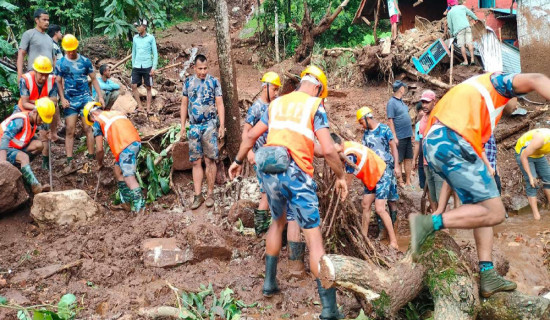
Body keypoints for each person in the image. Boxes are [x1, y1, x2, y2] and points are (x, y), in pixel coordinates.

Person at [412, 72, 550, 298]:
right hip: (453, 140)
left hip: (439, 144)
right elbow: (537, 78)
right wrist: (437, 215)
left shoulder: (469, 103)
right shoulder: (497, 82)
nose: (516, 102)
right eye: (517, 98)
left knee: (483, 206)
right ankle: (427, 224)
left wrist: (442, 204)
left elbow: (451, 177)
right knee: (496, 214)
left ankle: (487, 274)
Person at [228, 66, 348, 320]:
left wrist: (238, 161)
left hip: (269, 170)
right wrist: (340, 176)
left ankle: (269, 283)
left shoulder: (277, 103)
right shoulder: (315, 106)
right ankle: (329, 310)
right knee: (315, 240)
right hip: (297, 175)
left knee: (277, 222)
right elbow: (327, 150)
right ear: (317, 88)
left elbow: (250, 136)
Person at [55, 34, 105, 174]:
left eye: (73, 49)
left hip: (85, 99)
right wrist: (62, 98)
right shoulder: (61, 63)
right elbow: (58, 81)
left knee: (88, 128)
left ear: (77, 47)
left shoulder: (85, 61)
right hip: (70, 100)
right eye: (68, 50)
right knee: (70, 130)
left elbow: (94, 79)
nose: (70, 52)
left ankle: (90, 158)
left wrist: (99, 96)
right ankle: (69, 160)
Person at [180, 54, 225, 210]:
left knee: (210, 160)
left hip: (210, 125)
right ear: (194, 68)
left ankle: (210, 194)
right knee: (195, 161)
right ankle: (198, 195)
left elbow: (220, 104)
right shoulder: (188, 83)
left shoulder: (214, 82)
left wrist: (221, 125)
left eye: (205, 68)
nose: (203, 71)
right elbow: (184, 105)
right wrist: (182, 126)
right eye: (200, 68)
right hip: (194, 126)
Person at [83, 102, 145, 213]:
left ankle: (140, 209)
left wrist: (100, 163)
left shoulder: (97, 121)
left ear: (92, 116)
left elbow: (99, 149)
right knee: (117, 171)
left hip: (125, 146)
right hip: (134, 142)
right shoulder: (115, 113)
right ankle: (126, 202)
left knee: (129, 177)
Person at [358, 106, 400, 249]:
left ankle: (393, 240)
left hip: (384, 170)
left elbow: (393, 147)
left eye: (361, 122)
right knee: (365, 204)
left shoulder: (384, 129)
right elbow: (364, 153)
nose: (361, 125)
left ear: (367, 118)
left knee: (381, 207)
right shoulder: (365, 134)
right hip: (371, 172)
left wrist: (396, 166)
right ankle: (364, 238)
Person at [0, 97, 55, 194]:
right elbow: (4, 139)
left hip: (12, 147)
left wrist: (43, 137)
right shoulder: (20, 120)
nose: (42, 122)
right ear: (35, 112)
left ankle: (20, 168)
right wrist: (3, 164)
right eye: (41, 118)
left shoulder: (32, 122)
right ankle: (35, 187)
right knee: (24, 157)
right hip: (2, 148)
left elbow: (25, 138)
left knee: (39, 145)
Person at [16, 55, 58, 169]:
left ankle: (45, 163)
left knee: (45, 135)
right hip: (24, 110)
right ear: (35, 71)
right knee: (17, 133)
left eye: (46, 74)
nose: (44, 78)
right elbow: (25, 103)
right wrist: (42, 103)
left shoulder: (52, 80)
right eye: (41, 74)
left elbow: (54, 101)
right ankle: (16, 158)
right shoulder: (26, 79)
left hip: (43, 110)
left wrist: (38, 104)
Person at [515, 128, 550, 220]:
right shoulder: (541, 139)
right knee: (532, 183)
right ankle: (536, 216)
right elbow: (524, 156)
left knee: (548, 178)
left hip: (538, 154)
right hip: (524, 153)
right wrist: (530, 176)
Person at [386, 80, 412, 188]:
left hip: (407, 135)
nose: (404, 89)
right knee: (399, 159)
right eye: (403, 88)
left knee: (408, 158)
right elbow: (390, 120)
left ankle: (408, 181)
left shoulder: (401, 101)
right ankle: (400, 180)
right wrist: (394, 136)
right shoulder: (391, 103)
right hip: (400, 136)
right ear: (401, 89)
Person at [17, 8, 54, 81]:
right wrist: (19, 75)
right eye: (44, 20)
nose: (47, 22)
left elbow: (53, 59)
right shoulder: (29, 34)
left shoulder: (49, 39)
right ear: (37, 20)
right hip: (34, 75)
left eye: (48, 20)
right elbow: (21, 54)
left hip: (49, 75)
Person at [131, 18, 158, 115]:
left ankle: (148, 108)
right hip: (137, 66)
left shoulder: (151, 38)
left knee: (149, 87)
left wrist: (153, 67)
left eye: (139, 26)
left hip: (147, 66)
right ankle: (140, 106)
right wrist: (133, 64)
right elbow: (133, 52)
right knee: (133, 86)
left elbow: (155, 53)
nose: (137, 28)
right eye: (136, 26)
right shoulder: (135, 38)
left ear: (144, 27)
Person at [413, 102, 426, 190]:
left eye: (423, 110)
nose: (421, 112)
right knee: (424, 183)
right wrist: (414, 159)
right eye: (419, 110)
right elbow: (417, 143)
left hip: (431, 158)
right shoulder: (418, 125)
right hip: (422, 158)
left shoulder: (434, 122)